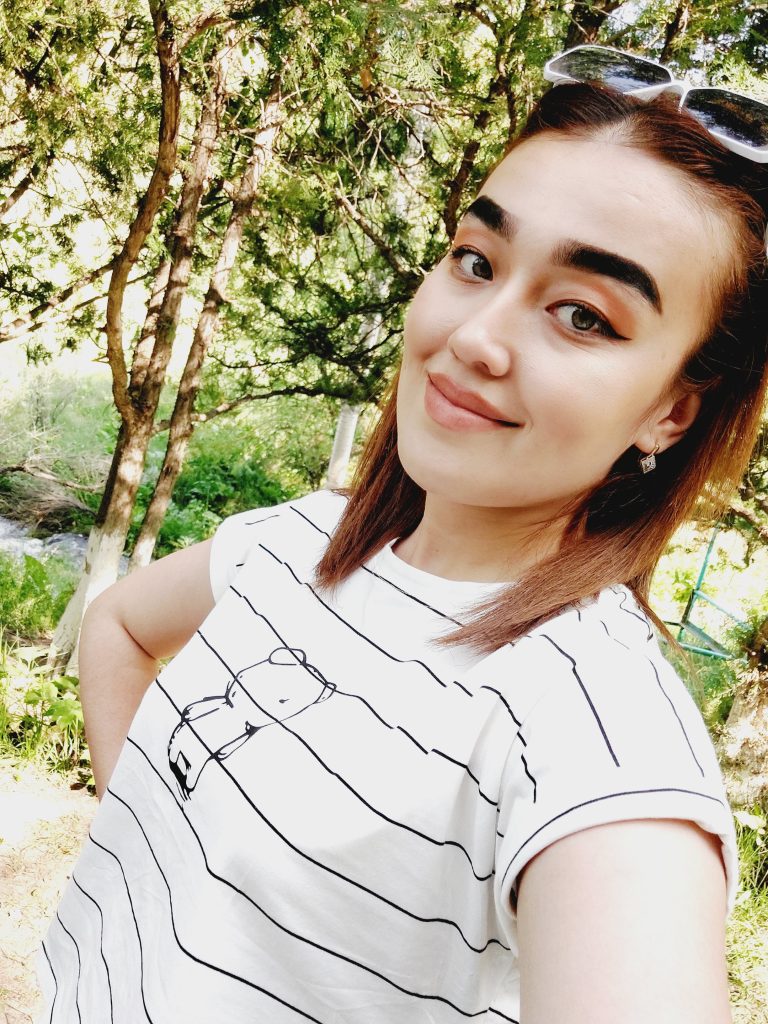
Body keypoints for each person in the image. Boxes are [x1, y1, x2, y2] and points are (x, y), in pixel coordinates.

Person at [38, 45, 768, 1024]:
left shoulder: (593, 748)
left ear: (673, 410)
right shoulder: (310, 538)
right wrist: (156, 845)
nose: (475, 335)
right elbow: (118, 627)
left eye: (584, 315)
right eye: (478, 259)